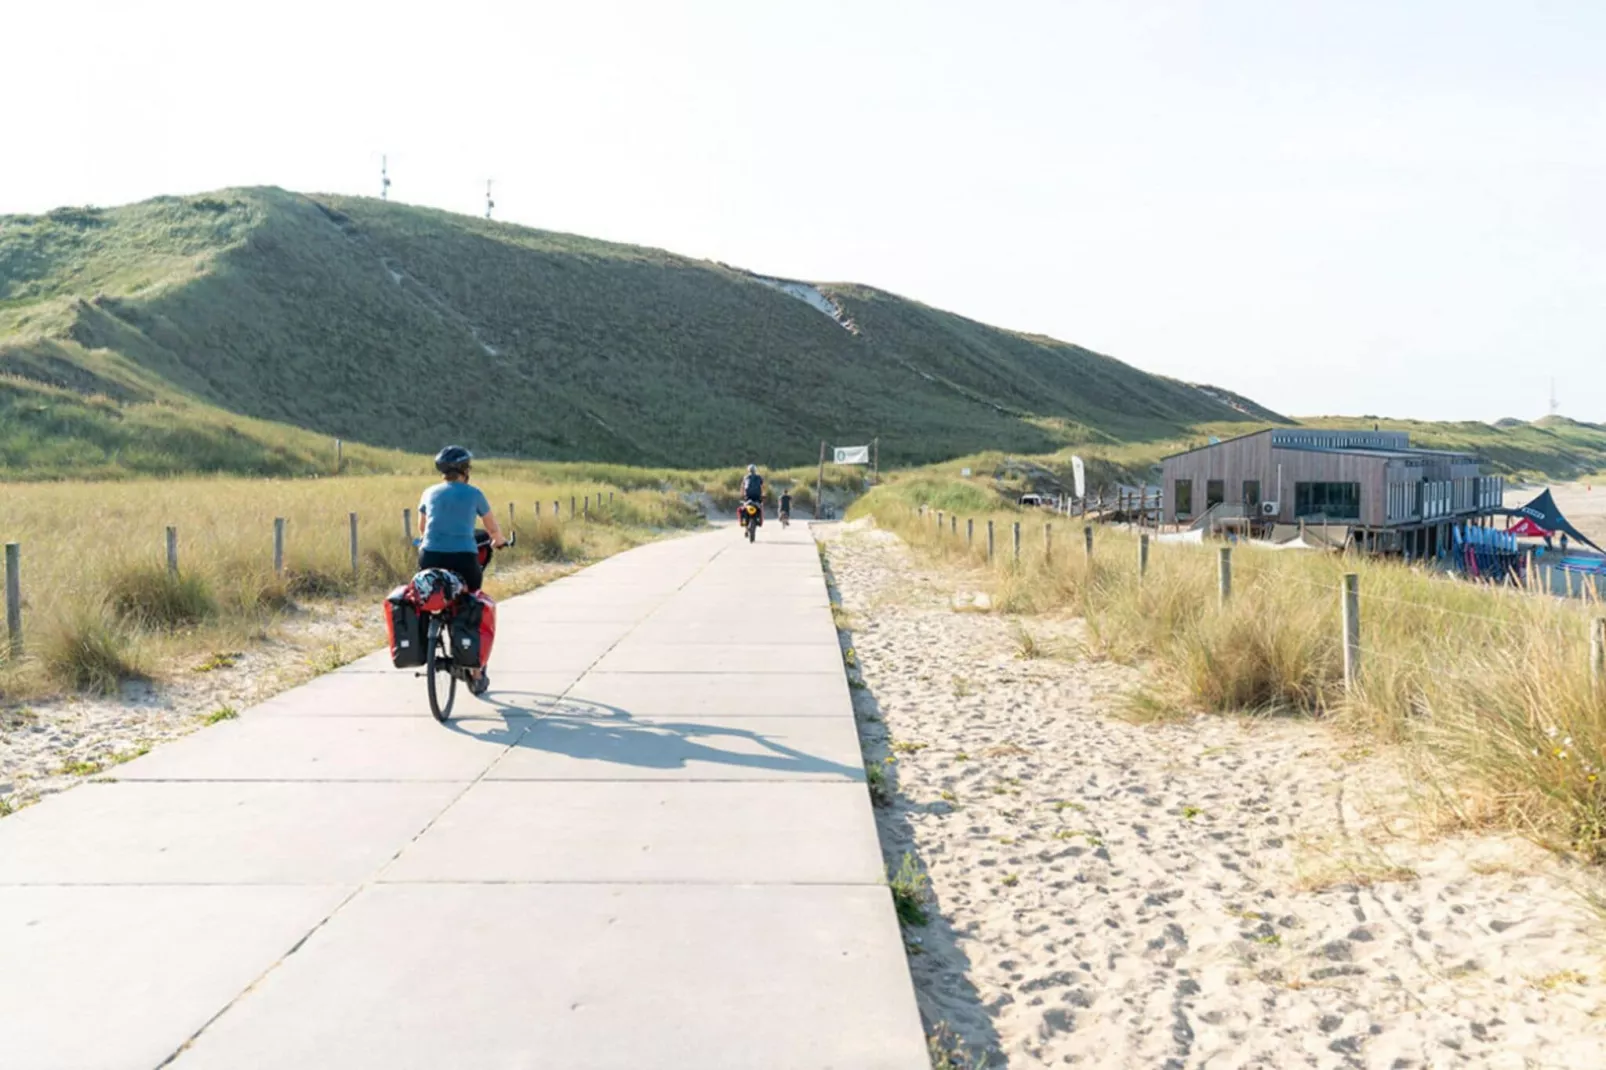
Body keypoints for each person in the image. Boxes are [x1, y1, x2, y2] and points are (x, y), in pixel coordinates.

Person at [418, 446, 506, 690]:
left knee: (430, 595)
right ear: (465, 471)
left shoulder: (429, 493)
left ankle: (428, 640)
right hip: (463, 558)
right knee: (470, 603)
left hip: (429, 557)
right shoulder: (474, 493)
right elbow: (492, 529)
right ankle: (476, 674)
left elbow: (422, 530)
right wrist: (499, 541)